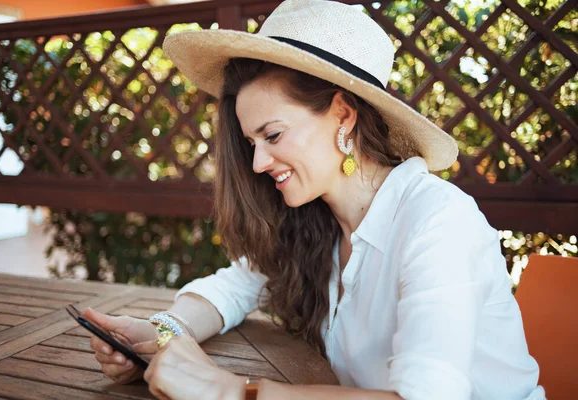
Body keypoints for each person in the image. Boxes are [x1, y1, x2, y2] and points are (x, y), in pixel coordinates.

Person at [86, 0, 545, 399]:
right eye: (251, 143)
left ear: (343, 116)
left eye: (273, 135)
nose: (257, 163)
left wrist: (230, 390)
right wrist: (162, 333)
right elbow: (233, 286)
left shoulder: (439, 222)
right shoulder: (314, 221)